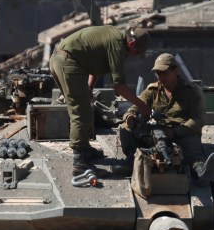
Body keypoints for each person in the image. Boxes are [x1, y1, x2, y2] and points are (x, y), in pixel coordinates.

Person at [50, 25, 152, 175]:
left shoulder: (114, 35)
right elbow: (120, 87)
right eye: (137, 52)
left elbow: (94, 65)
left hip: (61, 59)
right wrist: (142, 106)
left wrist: (89, 88)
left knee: (85, 107)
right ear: (131, 44)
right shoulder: (117, 46)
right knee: (81, 112)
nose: (136, 55)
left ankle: (85, 149)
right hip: (69, 63)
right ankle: (79, 162)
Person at [119, 53, 214, 183]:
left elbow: (199, 119)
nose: (161, 77)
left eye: (164, 73)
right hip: (156, 132)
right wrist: (130, 116)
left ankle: (200, 169)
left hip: (181, 133)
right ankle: (132, 159)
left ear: (175, 71)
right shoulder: (152, 90)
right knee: (125, 129)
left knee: (191, 145)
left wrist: (175, 132)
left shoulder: (192, 91)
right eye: (158, 73)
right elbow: (136, 106)